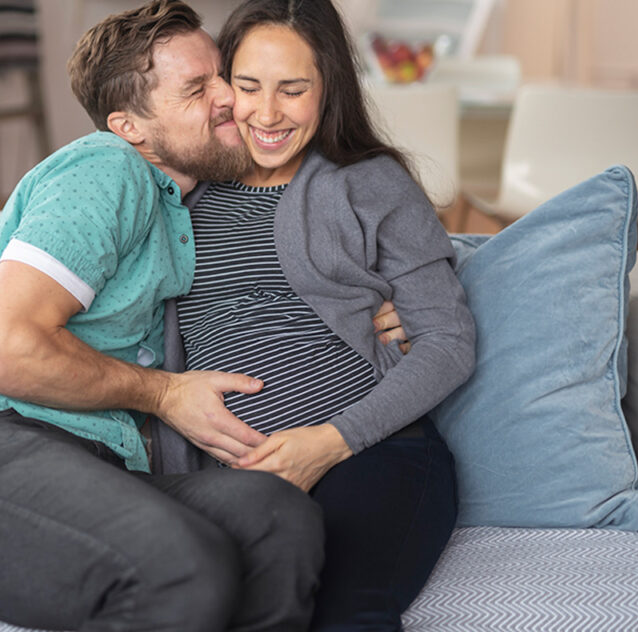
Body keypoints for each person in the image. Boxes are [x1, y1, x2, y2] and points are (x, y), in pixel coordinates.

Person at [0, 2, 335, 630]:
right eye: (198, 88)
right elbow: (1, 351)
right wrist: (166, 394)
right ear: (131, 127)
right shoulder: (106, 168)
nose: (232, 97)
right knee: (181, 565)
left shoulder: (196, 200)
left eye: (223, 74)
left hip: (92, 462)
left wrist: (376, 303)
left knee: (278, 518)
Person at [155, 0, 477, 629]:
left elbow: (448, 342)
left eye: (293, 89)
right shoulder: (182, 187)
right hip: (231, 478)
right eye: (248, 87)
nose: (267, 114)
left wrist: (325, 445)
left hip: (372, 454)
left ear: (328, 89)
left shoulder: (370, 183)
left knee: (342, 615)